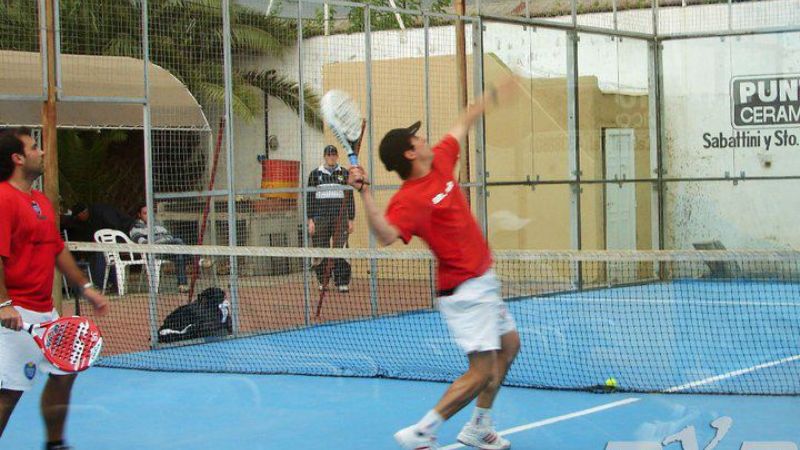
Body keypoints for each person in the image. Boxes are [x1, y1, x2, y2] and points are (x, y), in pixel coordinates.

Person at [347, 81, 521, 450]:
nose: (423, 137)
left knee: (509, 347)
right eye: (416, 138)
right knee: (481, 371)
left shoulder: (441, 159)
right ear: (410, 153)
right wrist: (365, 194)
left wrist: (492, 96)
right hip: (464, 290)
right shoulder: (407, 200)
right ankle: (422, 431)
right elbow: (386, 235)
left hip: (483, 279)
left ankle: (479, 426)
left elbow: (465, 119)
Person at [0, 128, 111, 449]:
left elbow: (56, 248)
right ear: (17, 158)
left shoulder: (41, 202)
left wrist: (85, 287)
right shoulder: (4, 199)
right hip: (15, 312)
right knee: (9, 393)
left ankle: (55, 444)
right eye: (35, 148)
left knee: (64, 375)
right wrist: (4, 304)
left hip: (45, 311)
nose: (42, 152)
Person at [306, 144, 354, 292]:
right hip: (320, 218)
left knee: (341, 249)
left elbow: (350, 197)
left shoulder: (344, 173)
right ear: (324, 156)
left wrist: (351, 219)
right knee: (321, 249)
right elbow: (309, 198)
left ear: (337, 156)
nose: (331, 157)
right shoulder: (315, 174)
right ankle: (323, 281)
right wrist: (310, 220)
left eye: (333, 155)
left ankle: (342, 282)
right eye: (328, 155)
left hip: (340, 218)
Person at [61, 202, 135, 287]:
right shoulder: (88, 220)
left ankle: (101, 283)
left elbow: (116, 227)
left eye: (78, 217)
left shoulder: (103, 213)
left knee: (102, 254)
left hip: (125, 235)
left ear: (83, 213)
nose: (78, 219)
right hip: (106, 244)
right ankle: (109, 283)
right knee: (99, 254)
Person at [129, 203, 189, 293]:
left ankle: (182, 285)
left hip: (165, 250)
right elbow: (142, 242)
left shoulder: (158, 224)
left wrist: (162, 241)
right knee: (179, 241)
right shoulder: (136, 227)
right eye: (145, 213)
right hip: (153, 253)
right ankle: (197, 260)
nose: (148, 215)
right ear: (139, 215)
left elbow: (169, 236)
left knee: (179, 254)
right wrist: (159, 242)